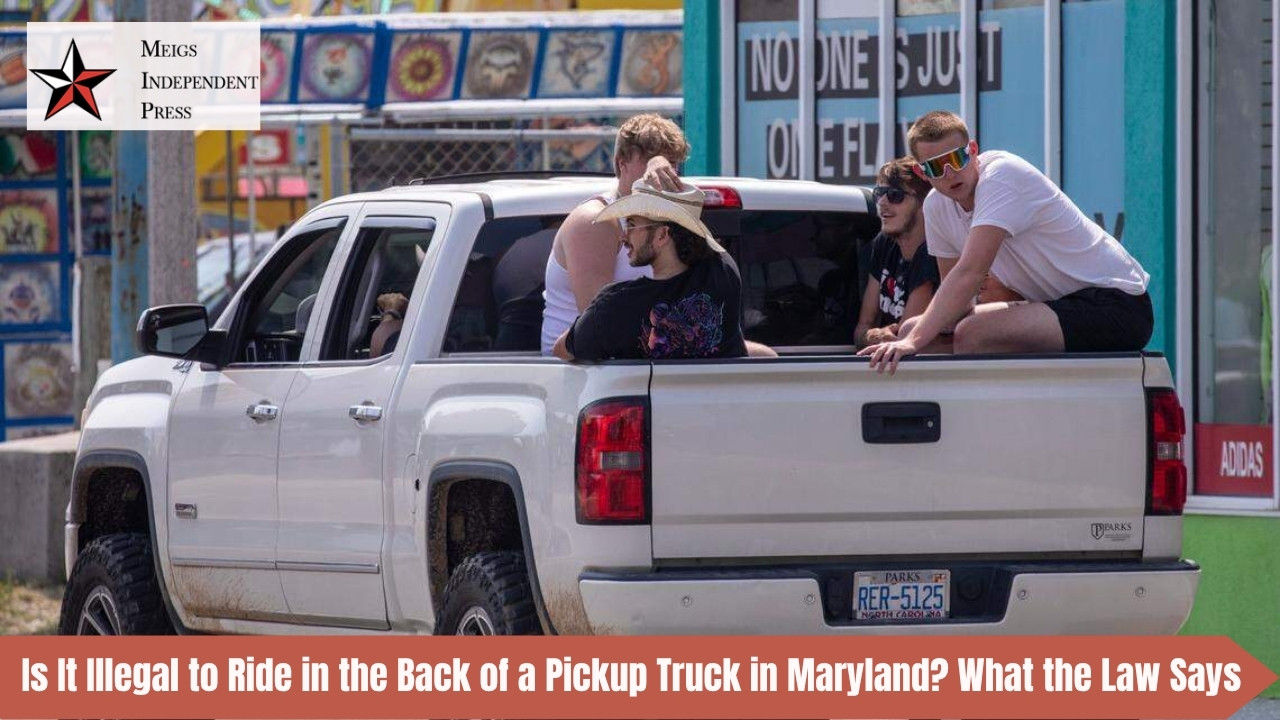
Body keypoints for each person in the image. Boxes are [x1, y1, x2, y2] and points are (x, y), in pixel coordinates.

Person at [860, 110, 1152, 373]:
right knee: (914, 328)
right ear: (923, 173)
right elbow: (958, 302)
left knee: (972, 334)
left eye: (956, 159)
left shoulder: (1002, 176)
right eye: (937, 167)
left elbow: (970, 274)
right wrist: (913, 337)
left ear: (973, 151)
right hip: (1058, 305)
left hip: (1118, 304)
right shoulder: (936, 206)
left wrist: (913, 341)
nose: (950, 173)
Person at [552, 180, 752, 361]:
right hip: (727, 397)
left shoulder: (616, 307)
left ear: (662, 235)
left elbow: (561, 350)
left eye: (631, 224)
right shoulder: (724, 272)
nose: (623, 236)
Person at [540, 113, 689, 355]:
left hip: (649, 356)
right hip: (581, 369)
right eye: (652, 161)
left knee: (761, 355)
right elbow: (601, 326)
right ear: (622, 164)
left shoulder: (668, 222)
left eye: (672, 164)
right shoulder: (596, 220)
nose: (664, 172)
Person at [853, 158, 941, 349]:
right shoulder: (884, 243)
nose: (882, 203)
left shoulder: (932, 252)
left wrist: (876, 336)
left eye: (894, 195)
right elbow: (862, 328)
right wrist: (873, 336)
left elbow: (904, 337)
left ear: (924, 203)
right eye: (879, 194)